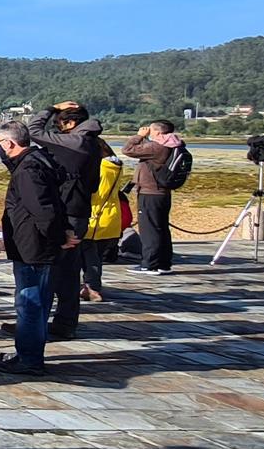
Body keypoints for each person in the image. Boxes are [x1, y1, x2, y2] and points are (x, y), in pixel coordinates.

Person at [0, 122, 75, 376]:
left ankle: (29, 358)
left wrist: (59, 235)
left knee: (29, 302)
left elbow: (42, 208)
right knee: (37, 300)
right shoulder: (38, 159)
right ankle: (29, 353)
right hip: (36, 243)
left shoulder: (28, 169)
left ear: (9, 144)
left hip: (34, 246)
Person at [23, 102, 104, 341]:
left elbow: (34, 131)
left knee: (52, 270)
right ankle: (64, 323)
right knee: (68, 272)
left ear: (70, 123)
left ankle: (37, 324)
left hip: (69, 211)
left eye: (60, 125)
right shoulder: (92, 142)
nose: (58, 130)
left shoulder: (77, 141)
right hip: (78, 209)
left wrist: (50, 108)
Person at [121, 120, 183, 275]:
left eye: (151, 130)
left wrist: (139, 136)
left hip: (150, 193)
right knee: (161, 228)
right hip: (163, 192)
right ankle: (163, 263)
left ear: (158, 132)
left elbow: (127, 149)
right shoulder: (173, 144)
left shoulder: (157, 147)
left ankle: (150, 264)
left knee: (149, 229)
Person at [82, 140, 126, 301]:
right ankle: (91, 285)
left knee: (89, 256)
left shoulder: (100, 169)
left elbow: (95, 194)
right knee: (96, 256)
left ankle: (92, 287)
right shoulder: (116, 167)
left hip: (96, 217)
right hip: (111, 216)